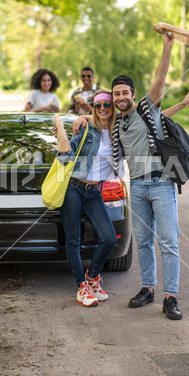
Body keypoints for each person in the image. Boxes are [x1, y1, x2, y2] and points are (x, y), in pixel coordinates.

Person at [73, 33, 189, 319]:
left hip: (161, 184)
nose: (119, 98)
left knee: (167, 241)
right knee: (142, 242)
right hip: (137, 187)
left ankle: (171, 297)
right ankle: (148, 289)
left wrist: (167, 47)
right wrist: (80, 119)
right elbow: (97, 120)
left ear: (133, 94)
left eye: (124, 93)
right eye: (115, 94)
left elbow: (159, 79)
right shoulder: (118, 123)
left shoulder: (145, 107)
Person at [58, 89, 119, 307]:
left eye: (107, 105)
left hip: (94, 192)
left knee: (109, 238)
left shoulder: (118, 131)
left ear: (113, 108)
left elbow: (144, 116)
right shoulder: (86, 129)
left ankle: (93, 278)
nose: (103, 109)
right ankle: (81, 287)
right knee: (73, 240)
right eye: (98, 105)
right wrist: (62, 141)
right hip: (73, 188)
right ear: (93, 108)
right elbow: (65, 158)